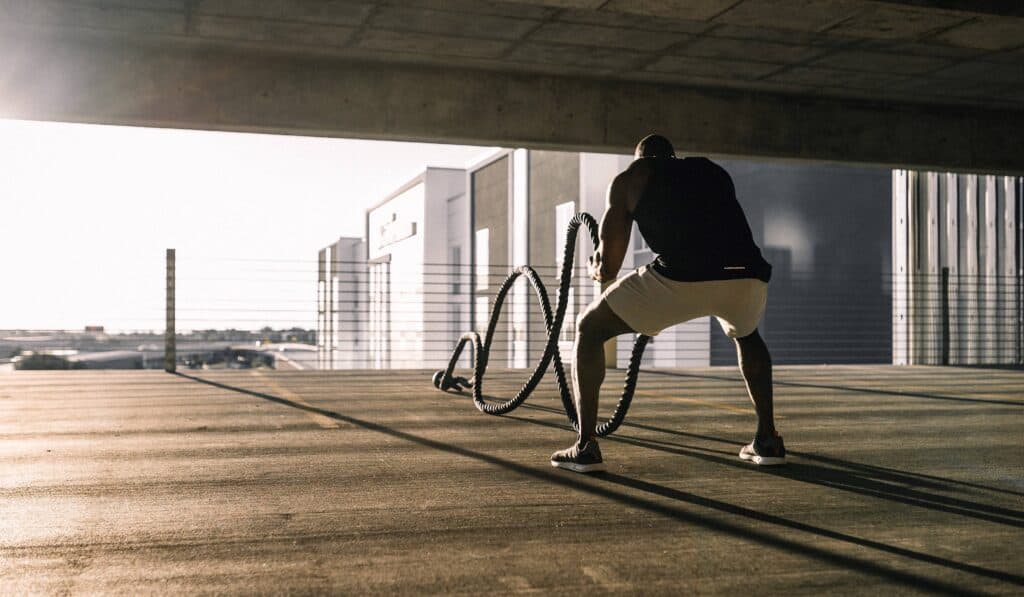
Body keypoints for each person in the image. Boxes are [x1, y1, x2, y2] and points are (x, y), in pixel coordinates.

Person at [550, 134, 784, 473]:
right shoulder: (711, 171)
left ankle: (585, 446)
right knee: (748, 336)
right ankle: (768, 439)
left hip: (682, 277)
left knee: (589, 327)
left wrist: (596, 265)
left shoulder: (631, 178)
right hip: (747, 275)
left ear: (640, 157)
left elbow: (610, 265)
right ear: (672, 156)